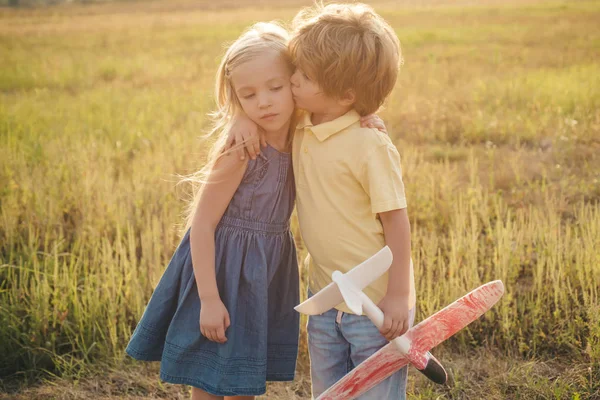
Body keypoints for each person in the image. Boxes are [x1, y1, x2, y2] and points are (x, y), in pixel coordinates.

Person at [229, 3, 416, 399]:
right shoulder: (302, 125)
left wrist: (399, 294)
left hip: (377, 305)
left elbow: (397, 222)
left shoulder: (369, 144)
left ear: (346, 95)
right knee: (329, 393)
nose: (292, 79)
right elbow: (261, 107)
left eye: (304, 75)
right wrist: (239, 118)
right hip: (326, 299)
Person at [125, 22, 301, 400]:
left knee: (243, 381)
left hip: (264, 273)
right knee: (207, 375)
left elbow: (337, 113)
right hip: (220, 270)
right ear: (236, 98)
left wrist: (368, 118)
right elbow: (202, 224)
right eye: (249, 95)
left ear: (296, 82)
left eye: (275, 87)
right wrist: (208, 298)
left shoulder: (303, 134)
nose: (265, 102)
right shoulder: (241, 148)